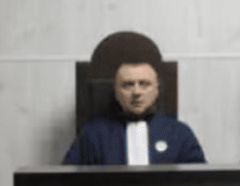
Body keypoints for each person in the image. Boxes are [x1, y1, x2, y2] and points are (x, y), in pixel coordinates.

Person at [61, 61, 206, 165]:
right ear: (116, 92)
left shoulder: (180, 133)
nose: (136, 92)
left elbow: (199, 184)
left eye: (144, 84)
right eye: (128, 85)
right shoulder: (93, 134)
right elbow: (68, 182)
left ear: (156, 91)